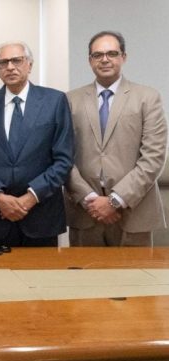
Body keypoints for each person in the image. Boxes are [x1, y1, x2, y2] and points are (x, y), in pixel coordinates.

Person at [0, 41, 73, 248]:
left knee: (43, 270)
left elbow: (64, 159)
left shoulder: (54, 101)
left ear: (29, 65)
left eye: (17, 60)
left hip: (42, 215)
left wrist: (30, 198)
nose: (10, 67)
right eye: (3, 62)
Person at [66, 31, 167, 246]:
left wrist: (115, 200)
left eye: (112, 53)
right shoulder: (70, 100)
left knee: (135, 270)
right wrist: (90, 199)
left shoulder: (148, 98)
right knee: (84, 270)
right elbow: (62, 156)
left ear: (124, 57)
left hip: (134, 212)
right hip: (86, 213)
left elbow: (154, 157)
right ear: (90, 60)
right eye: (98, 55)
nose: (105, 59)